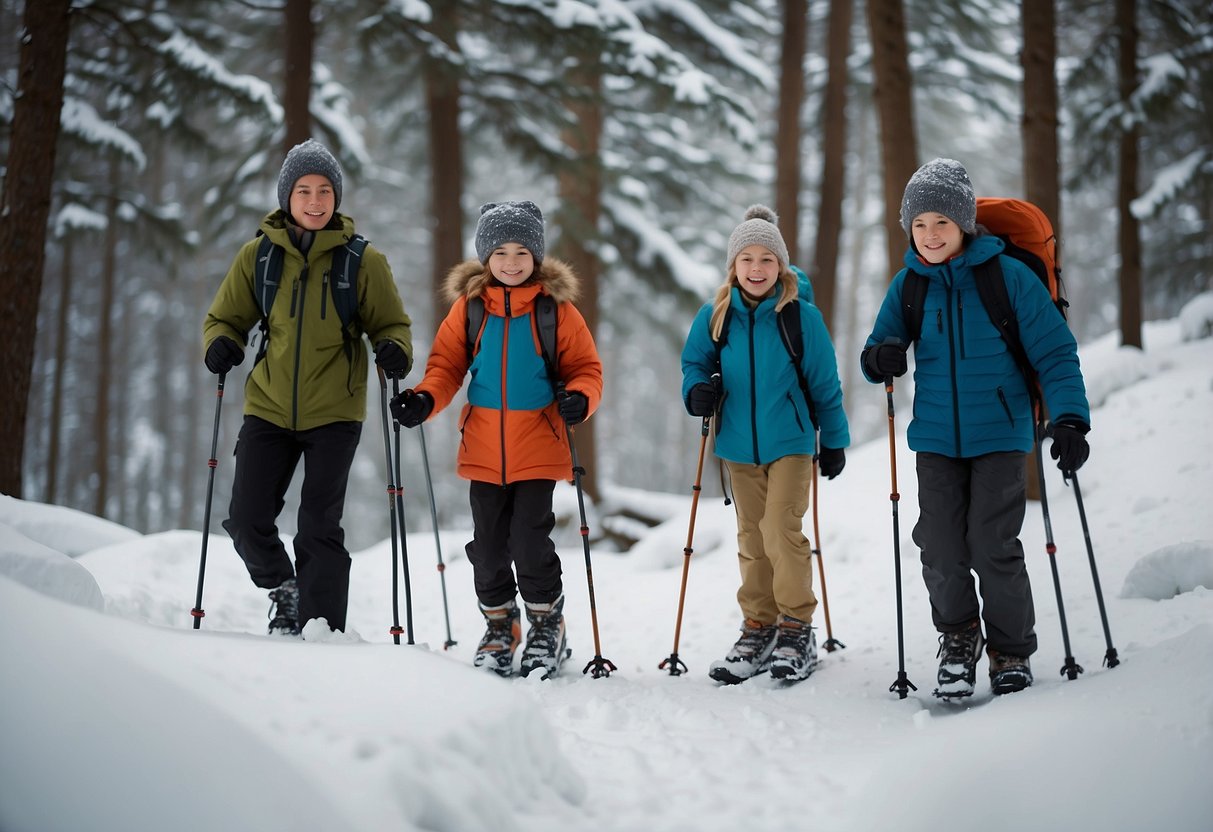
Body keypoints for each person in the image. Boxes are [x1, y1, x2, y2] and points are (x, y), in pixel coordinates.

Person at [860, 158, 1090, 698]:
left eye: (941, 222)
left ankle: (1010, 650)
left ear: (964, 222)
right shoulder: (909, 285)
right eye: (919, 225)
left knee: (993, 544)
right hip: (936, 439)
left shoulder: (1007, 278)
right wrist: (882, 359)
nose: (930, 235)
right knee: (939, 546)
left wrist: (1070, 419)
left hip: (1002, 434)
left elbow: (1055, 353)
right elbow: (876, 350)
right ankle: (960, 638)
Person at [202, 139, 413, 637]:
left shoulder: (362, 261)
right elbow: (224, 318)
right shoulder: (259, 257)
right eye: (304, 191)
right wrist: (221, 343)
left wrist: (394, 350)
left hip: (335, 413)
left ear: (336, 198)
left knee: (319, 527)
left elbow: (392, 324)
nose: (315, 201)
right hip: (268, 408)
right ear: (287, 197)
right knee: (246, 519)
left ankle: (322, 630)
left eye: (324, 191)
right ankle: (285, 589)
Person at [389, 200, 603, 679]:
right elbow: (445, 367)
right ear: (485, 258)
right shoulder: (469, 311)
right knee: (487, 548)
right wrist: (425, 400)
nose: (511, 261)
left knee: (528, 541)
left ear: (537, 257)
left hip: (539, 445)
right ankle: (501, 625)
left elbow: (586, 370)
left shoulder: (556, 312)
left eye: (521, 251)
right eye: (500, 251)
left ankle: (548, 625)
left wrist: (580, 398)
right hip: (483, 448)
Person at [681, 205, 850, 684]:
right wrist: (697, 391)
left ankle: (797, 627)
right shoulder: (715, 316)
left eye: (767, 260)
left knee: (780, 528)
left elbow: (825, 383)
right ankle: (759, 626)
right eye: (747, 259)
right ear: (733, 266)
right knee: (752, 540)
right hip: (736, 445)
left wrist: (834, 439)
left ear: (782, 266)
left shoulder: (801, 317)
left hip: (792, 443)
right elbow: (694, 364)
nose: (756, 269)